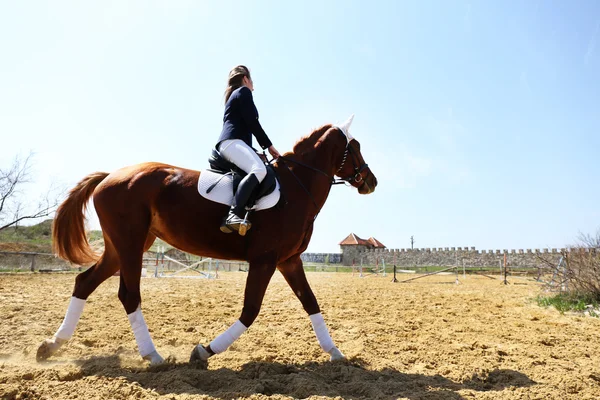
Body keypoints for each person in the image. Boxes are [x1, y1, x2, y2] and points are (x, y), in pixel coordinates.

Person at [216, 65, 280, 234]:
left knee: (258, 165)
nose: (253, 85)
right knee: (259, 169)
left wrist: (255, 152)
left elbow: (244, 128)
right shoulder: (244, 92)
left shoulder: (236, 95)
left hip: (234, 142)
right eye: (252, 80)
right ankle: (233, 214)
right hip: (231, 142)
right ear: (245, 78)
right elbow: (252, 123)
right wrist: (269, 146)